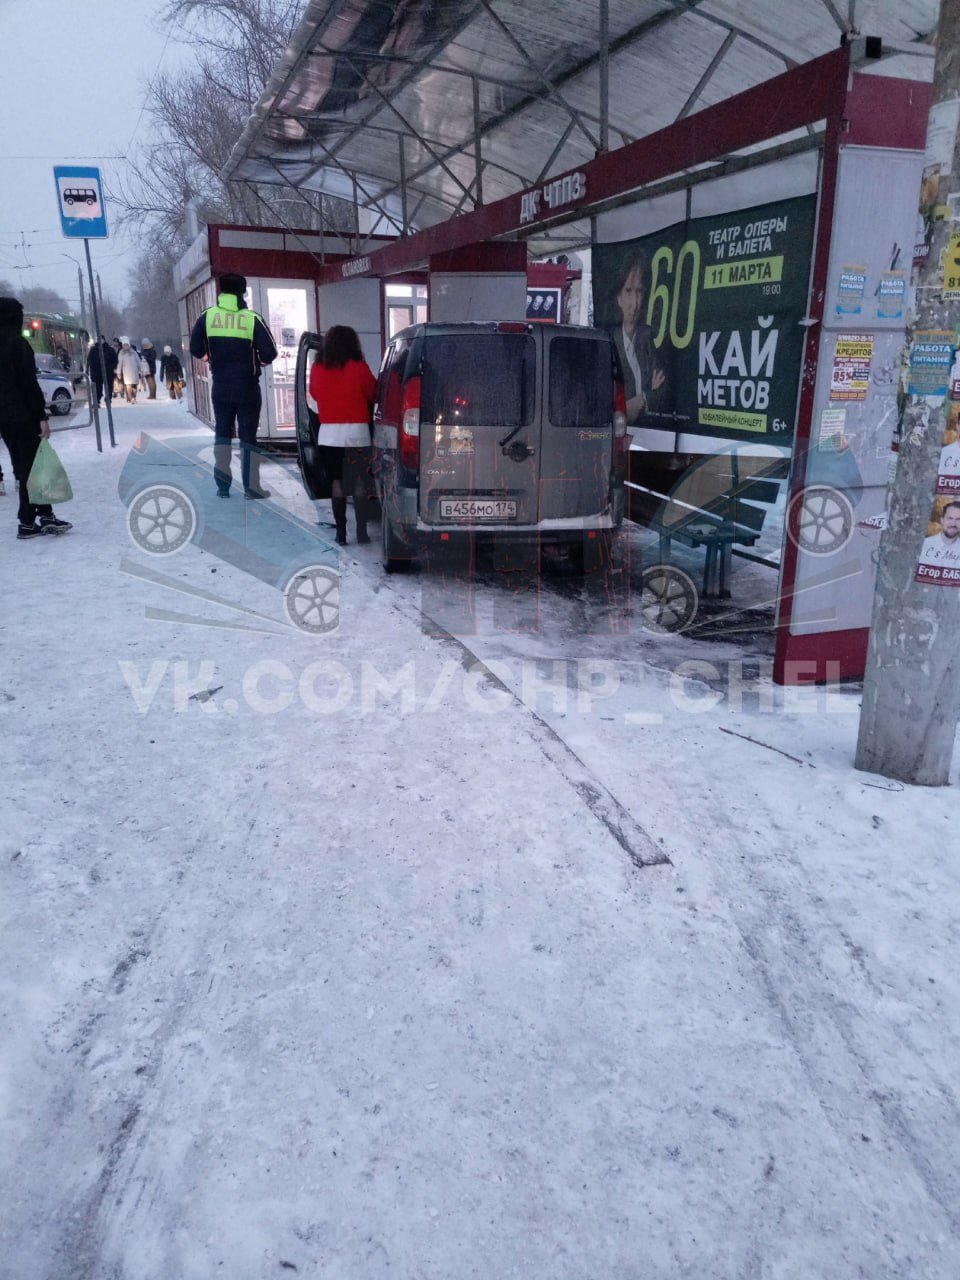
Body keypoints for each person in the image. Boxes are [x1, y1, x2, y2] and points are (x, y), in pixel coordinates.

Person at [189, 272, 277, 498]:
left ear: (221, 291)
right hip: (247, 387)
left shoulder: (207, 317)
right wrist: (256, 363)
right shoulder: (251, 318)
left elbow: (195, 348)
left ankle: (222, 487)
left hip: (220, 387)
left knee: (222, 434)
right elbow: (270, 352)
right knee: (248, 437)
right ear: (242, 292)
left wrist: (211, 359)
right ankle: (251, 487)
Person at [0, 296, 72, 539]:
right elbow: (28, 384)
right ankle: (27, 523)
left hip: (5, 419)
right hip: (23, 417)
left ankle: (46, 515)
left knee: (26, 467)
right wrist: (41, 415)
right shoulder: (17, 345)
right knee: (31, 469)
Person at [308, 324, 376, 545]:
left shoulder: (318, 368)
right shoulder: (360, 367)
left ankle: (341, 533)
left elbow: (315, 394)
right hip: (358, 433)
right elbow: (374, 393)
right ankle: (362, 532)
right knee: (358, 483)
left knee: (337, 482)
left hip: (329, 435)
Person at [607, 251, 666, 426]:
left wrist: (640, 400)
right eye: (628, 291)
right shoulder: (609, 340)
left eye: (639, 291)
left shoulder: (648, 336)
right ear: (618, 298)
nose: (635, 302)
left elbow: (664, 390)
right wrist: (649, 394)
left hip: (649, 432)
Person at [919, 500, 960, 571]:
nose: (953, 524)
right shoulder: (925, 544)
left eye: (958, 519)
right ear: (942, 520)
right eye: (950, 518)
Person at [86, 334, 118, 407]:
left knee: (109, 386)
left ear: (104, 340)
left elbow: (115, 360)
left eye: (101, 339)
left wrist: (113, 367)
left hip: (108, 372)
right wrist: (88, 369)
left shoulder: (110, 349)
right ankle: (97, 401)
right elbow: (89, 360)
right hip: (96, 372)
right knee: (97, 387)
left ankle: (108, 399)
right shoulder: (93, 349)